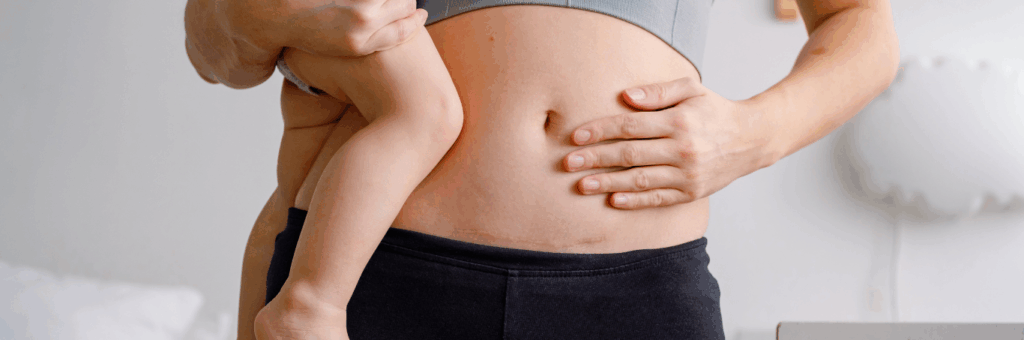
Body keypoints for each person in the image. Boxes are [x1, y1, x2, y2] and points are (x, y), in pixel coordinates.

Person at [184, 0, 900, 339]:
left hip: (636, 295)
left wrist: (757, 132)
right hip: (377, 276)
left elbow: (862, 28)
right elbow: (210, 39)